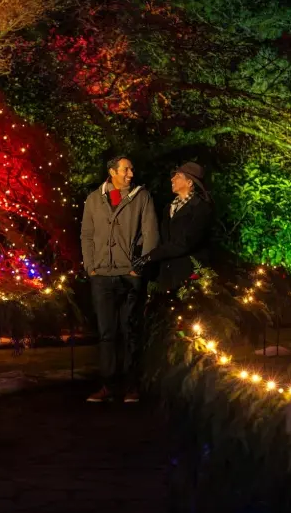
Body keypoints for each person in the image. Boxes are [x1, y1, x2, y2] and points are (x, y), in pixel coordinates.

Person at [80, 157, 159, 403]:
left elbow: (151, 233)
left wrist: (139, 267)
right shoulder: (94, 198)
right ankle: (108, 385)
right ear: (112, 171)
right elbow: (87, 235)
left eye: (132, 169)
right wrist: (91, 267)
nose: (131, 174)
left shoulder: (141, 197)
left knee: (130, 330)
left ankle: (131, 386)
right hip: (101, 275)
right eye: (126, 169)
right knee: (106, 333)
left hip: (129, 275)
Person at [132, 161, 213, 291]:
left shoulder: (201, 208)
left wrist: (151, 256)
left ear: (190, 183)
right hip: (168, 275)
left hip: (190, 273)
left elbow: (185, 242)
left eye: (178, 176)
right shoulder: (168, 208)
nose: (172, 179)